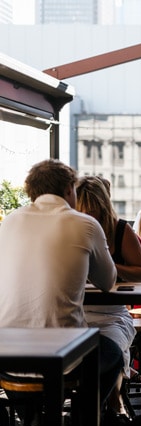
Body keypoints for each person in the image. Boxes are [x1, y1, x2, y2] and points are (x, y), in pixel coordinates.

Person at [0, 160, 121, 412]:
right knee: (113, 354)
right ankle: (80, 424)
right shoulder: (85, 224)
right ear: (69, 189)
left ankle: (33, 423)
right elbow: (108, 282)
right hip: (64, 356)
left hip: (7, 354)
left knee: (26, 383)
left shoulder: (9, 222)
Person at [76, 176, 141, 419]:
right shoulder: (70, 230)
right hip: (76, 313)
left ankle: (112, 401)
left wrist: (108, 267)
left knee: (113, 344)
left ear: (104, 207)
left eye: (94, 212)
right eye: (83, 212)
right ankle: (92, 411)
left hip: (112, 313)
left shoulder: (120, 230)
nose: (90, 218)